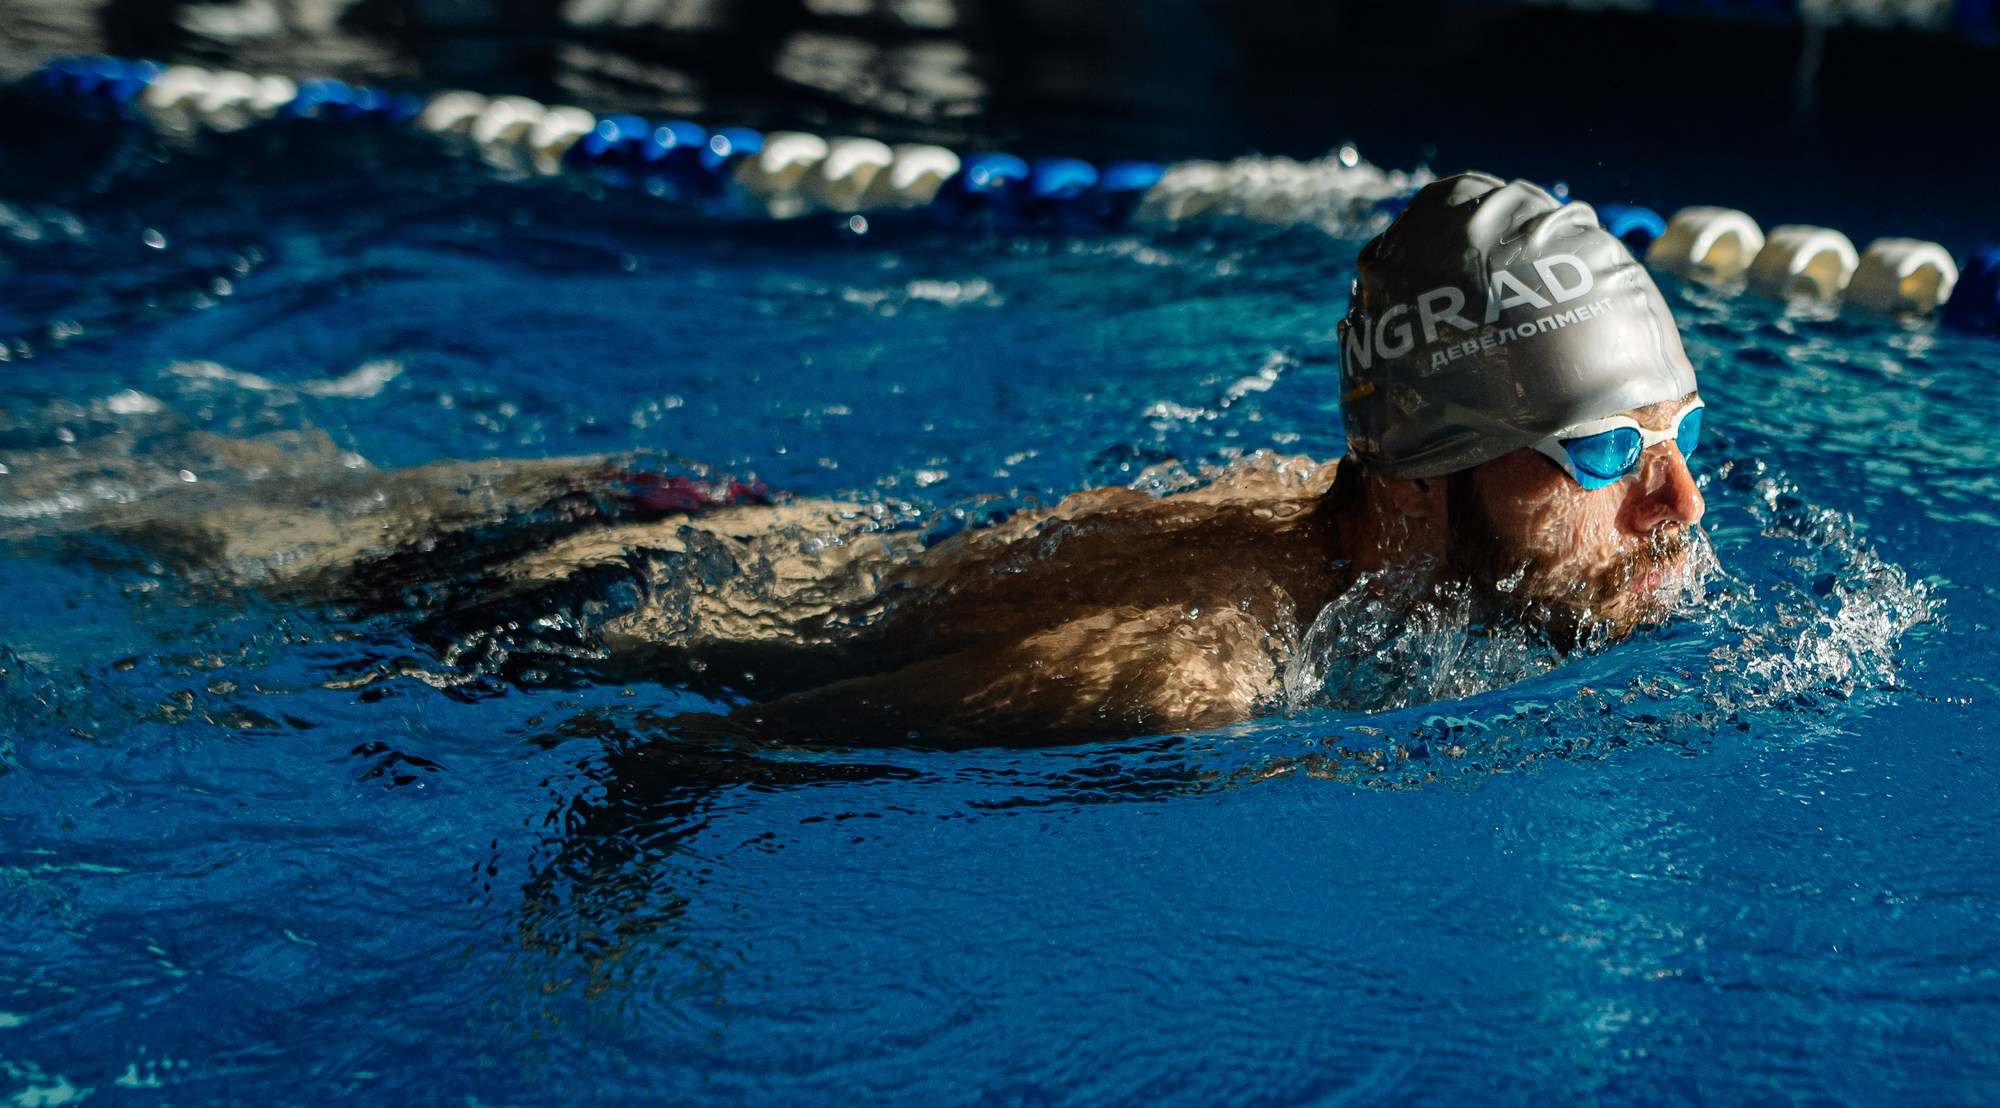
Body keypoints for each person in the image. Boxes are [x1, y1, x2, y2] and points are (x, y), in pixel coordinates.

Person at [2, 173, 1708, 747]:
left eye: (1678, 436)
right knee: (124, 523)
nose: (1678, 500)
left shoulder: (1324, 503)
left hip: (733, 516)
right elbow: (686, 754)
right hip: (565, 594)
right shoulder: (1173, 681)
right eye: (1603, 449)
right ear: (1415, 484)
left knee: (170, 476)